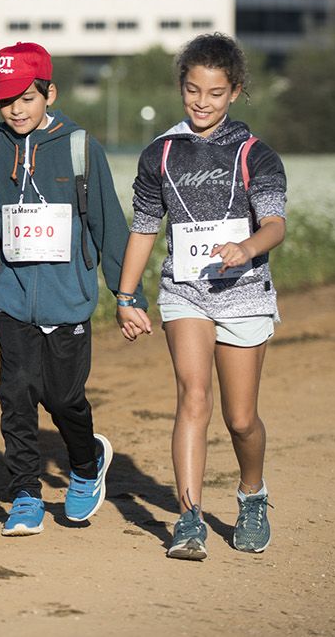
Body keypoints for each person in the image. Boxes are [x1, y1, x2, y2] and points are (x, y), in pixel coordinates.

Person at [115, 32, 287, 561]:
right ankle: (189, 520)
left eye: (214, 93)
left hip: (244, 294)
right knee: (193, 397)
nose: (201, 102)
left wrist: (247, 246)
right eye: (192, 90)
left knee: (241, 419)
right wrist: (127, 296)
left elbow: (276, 225)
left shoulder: (256, 154)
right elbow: (144, 228)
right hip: (184, 292)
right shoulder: (160, 155)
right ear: (181, 87)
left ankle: (252, 495)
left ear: (234, 91)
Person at [0, 42, 127, 537]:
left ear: (49, 93)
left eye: (26, 98)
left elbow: (108, 225)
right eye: (5, 100)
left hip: (67, 301)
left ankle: (85, 462)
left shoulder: (81, 148)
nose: (15, 109)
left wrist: (127, 295)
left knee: (63, 398)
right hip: (10, 299)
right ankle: (25, 494)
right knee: (16, 395)